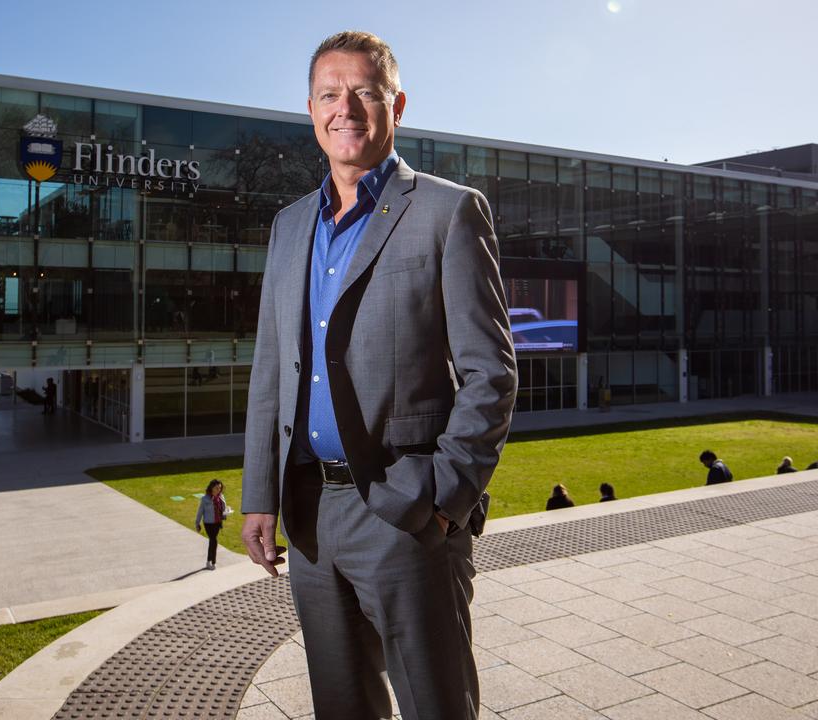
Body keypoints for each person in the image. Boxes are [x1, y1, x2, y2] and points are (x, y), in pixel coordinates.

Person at [240, 31, 517, 720]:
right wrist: (258, 494)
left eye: (364, 93)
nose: (347, 110)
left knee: (436, 708)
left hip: (405, 513)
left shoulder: (449, 212)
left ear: (396, 103)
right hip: (307, 514)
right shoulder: (288, 226)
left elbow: (492, 372)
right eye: (331, 95)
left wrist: (445, 497)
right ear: (310, 110)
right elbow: (273, 366)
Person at [194, 479, 229, 570]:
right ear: (211, 488)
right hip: (208, 523)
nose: (218, 490)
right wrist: (197, 523)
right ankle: (212, 562)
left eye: (220, 488)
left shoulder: (221, 496)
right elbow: (200, 512)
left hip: (217, 522)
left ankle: (209, 561)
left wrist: (226, 512)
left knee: (213, 541)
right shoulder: (205, 499)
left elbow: (223, 508)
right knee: (214, 540)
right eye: (216, 488)